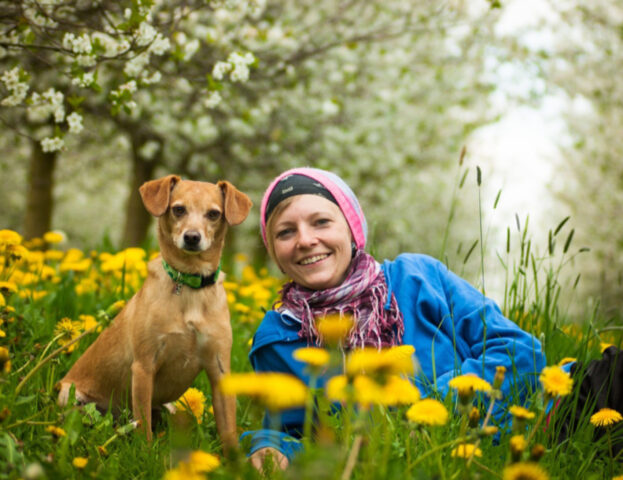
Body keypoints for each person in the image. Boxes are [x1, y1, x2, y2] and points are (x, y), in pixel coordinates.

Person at [242, 167, 622, 470]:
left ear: (352, 228)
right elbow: (288, 430)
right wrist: (269, 449)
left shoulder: (417, 276)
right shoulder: (278, 337)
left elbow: (520, 351)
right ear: (274, 250)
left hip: (539, 423)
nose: (305, 240)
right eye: (285, 232)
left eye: (321, 222)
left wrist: (422, 405)